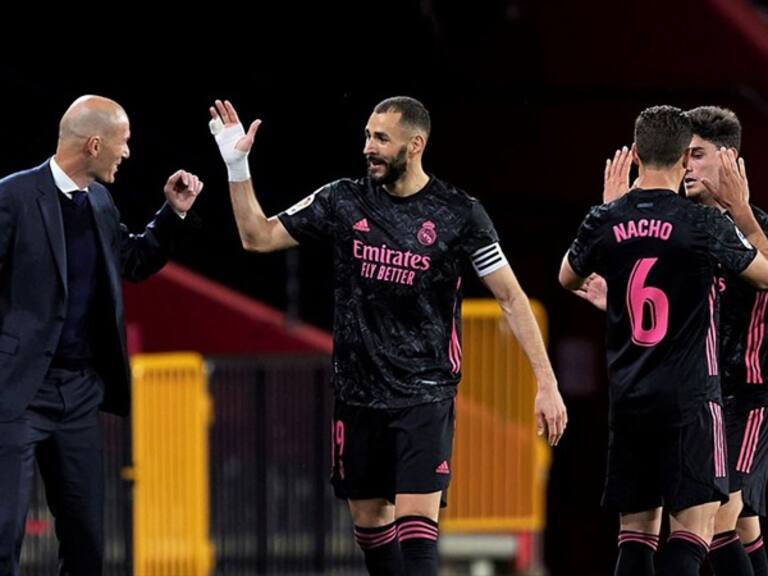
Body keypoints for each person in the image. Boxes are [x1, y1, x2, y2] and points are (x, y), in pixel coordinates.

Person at [208, 96, 567, 575]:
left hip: (424, 394)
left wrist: (546, 382)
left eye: (381, 139)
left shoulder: (460, 214)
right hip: (357, 397)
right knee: (371, 530)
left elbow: (511, 298)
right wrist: (237, 164)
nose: (368, 148)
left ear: (415, 144)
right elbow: (258, 236)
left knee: (418, 534)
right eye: (367, 136)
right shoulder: (342, 199)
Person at [559, 105, 768, 576]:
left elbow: (569, 275)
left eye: (700, 155)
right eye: (686, 155)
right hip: (698, 399)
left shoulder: (745, 228)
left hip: (741, 400)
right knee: (721, 529)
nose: (690, 166)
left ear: (730, 161)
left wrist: (612, 213)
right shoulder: (695, 226)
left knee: (716, 524)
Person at [0, 95, 203, 575]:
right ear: (94, 144)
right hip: (16, 395)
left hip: (78, 397)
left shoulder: (100, 200)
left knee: (87, 542)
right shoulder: (12, 196)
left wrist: (171, 215)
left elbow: (131, 261)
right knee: (3, 538)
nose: (127, 153)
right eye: (122, 142)